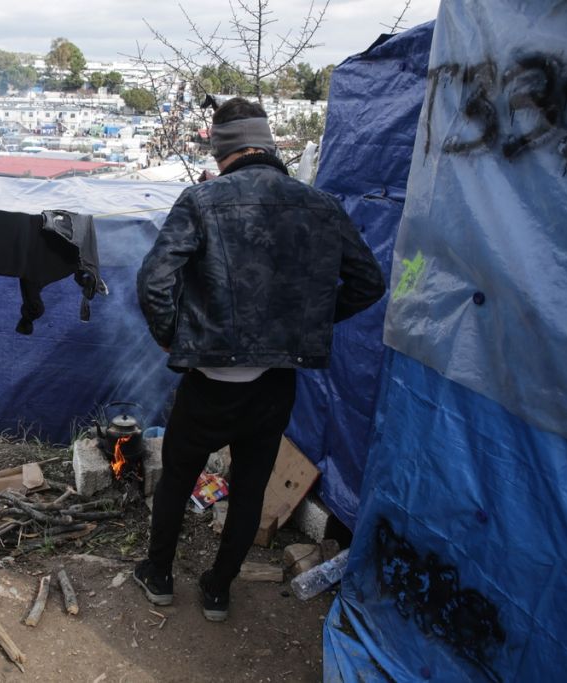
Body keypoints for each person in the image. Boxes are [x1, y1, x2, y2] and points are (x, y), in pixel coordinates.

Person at [134, 97, 385, 622]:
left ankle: (157, 576)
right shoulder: (320, 204)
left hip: (208, 380)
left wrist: (169, 337)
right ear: (268, 143)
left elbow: (155, 280)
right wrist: (307, 322)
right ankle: (218, 591)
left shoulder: (202, 201)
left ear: (221, 147)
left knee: (179, 477)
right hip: (275, 382)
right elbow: (369, 283)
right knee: (249, 488)